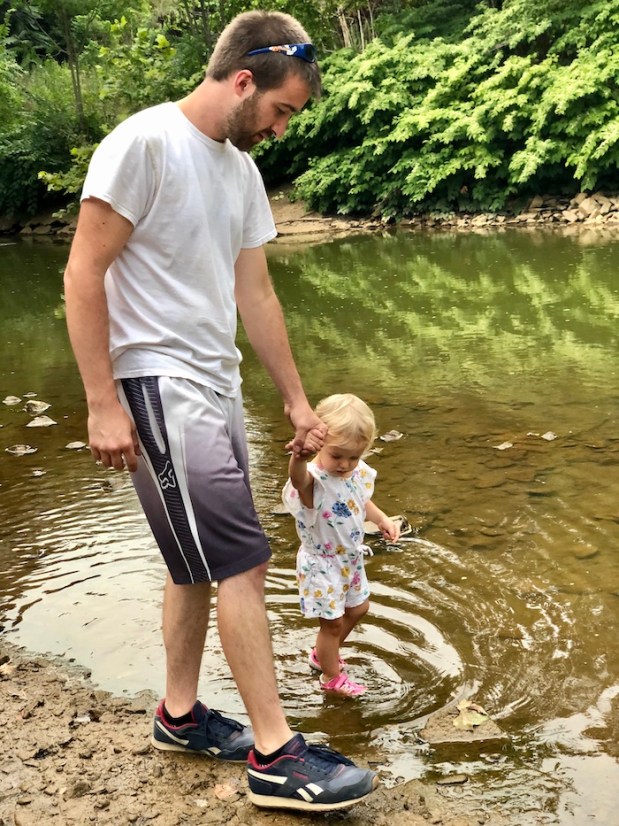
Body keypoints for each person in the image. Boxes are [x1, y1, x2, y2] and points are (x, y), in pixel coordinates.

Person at [63, 9, 378, 813]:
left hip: (215, 382)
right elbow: (82, 272)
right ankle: (275, 756)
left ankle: (177, 715)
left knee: (192, 562)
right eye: (280, 111)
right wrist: (102, 402)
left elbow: (255, 292)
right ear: (244, 80)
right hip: (154, 384)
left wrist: (297, 400)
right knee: (242, 557)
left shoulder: (238, 172)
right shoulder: (142, 144)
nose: (279, 129)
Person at [283, 393, 400, 697]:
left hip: (350, 559)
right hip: (322, 564)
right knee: (331, 625)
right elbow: (298, 481)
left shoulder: (356, 472)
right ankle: (330, 677)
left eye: (354, 456)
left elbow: (361, 500)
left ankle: (323, 655)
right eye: (337, 456)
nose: (345, 464)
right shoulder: (314, 481)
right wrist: (299, 457)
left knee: (360, 607)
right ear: (319, 445)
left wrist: (382, 519)